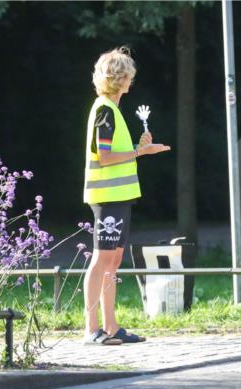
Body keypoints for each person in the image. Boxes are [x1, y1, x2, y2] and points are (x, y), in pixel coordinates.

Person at [82, 46, 170, 345]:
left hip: (118, 195)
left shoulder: (111, 110)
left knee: (113, 261)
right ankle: (92, 329)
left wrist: (138, 148)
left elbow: (112, 154)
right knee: (102, 259)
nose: (131, 81)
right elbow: (105, 157)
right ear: (121, 79)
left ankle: (111, 326)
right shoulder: (105, 111)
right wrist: (138, 151)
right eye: (128, 76)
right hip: (107, 196)